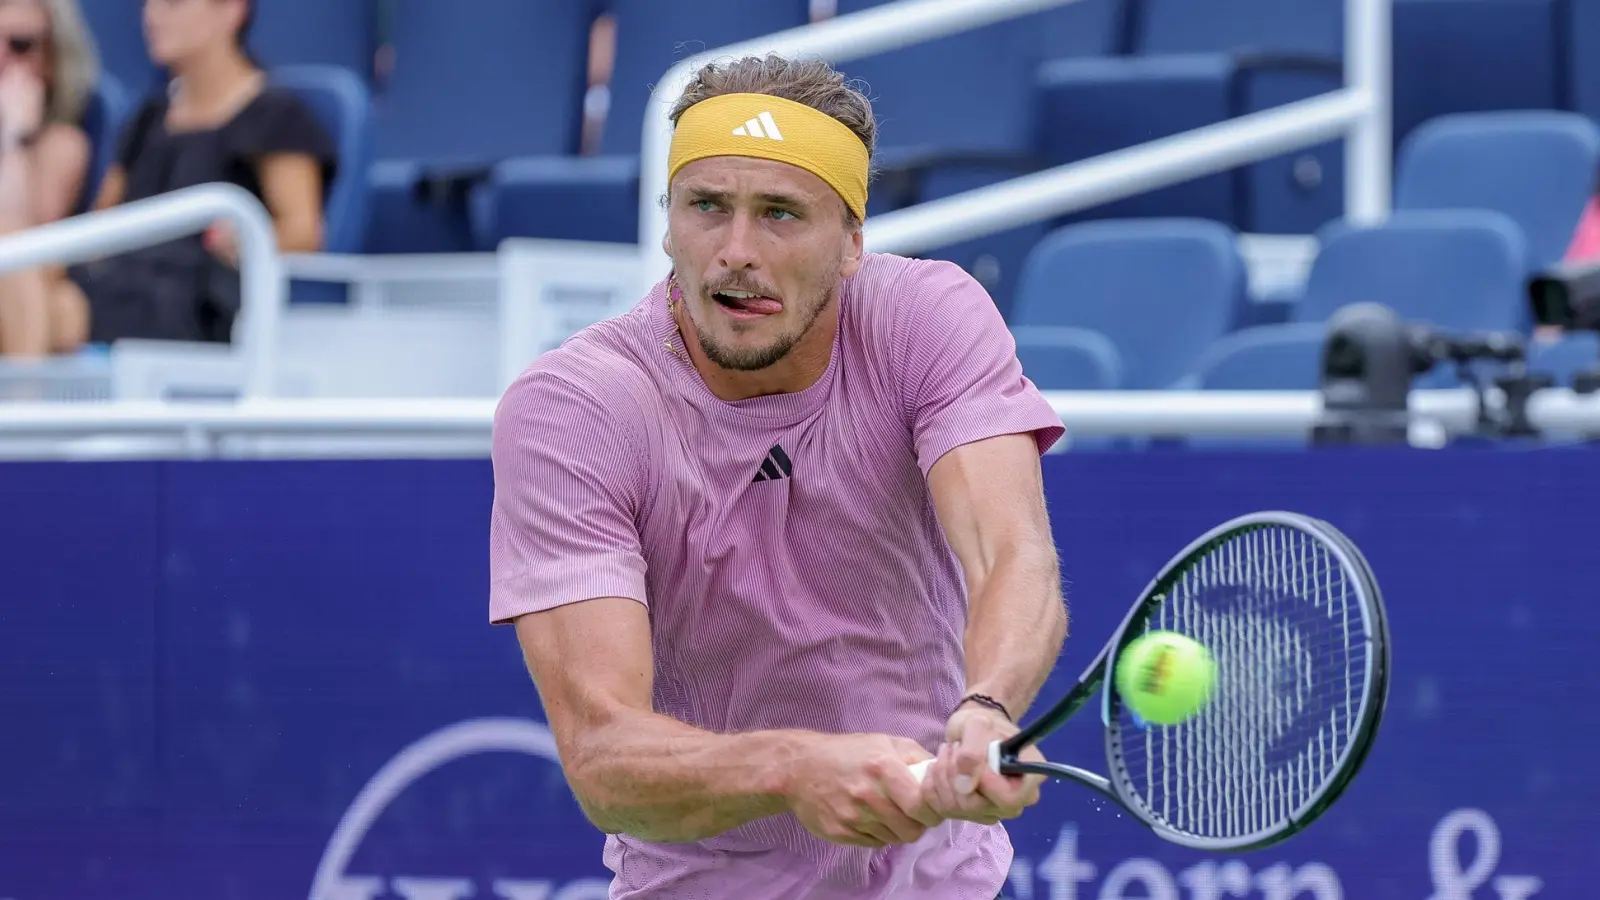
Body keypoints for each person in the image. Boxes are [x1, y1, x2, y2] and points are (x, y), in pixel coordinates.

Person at [490, 54, 1069, 899]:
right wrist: (791, 767)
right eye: (707, 207)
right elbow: (602, 759)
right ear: (667, 224)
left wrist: (986, 707)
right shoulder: (575, 407)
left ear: (851, 243)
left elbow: (1010, 554)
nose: (735, 253)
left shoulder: (926, 318)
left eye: (781, 215)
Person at [62, 0, 334, 347]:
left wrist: (242, 241)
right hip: (119, 284)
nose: (152, 16)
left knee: (50, 309)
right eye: (149, 4)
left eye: (173, 4)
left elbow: (304, 232)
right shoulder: (149, 116)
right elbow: (102, 225)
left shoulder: (275, 113)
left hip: (196, 304)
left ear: (232, 11)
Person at [0, 0, 98, 358]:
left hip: (20, 292)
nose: (2, 57)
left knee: (65, 308)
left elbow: (34, 248)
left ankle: (24, 409)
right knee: (64, 310)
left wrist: (15, 139)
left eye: (20, 45)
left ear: (52, 59)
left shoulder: (63, 145)